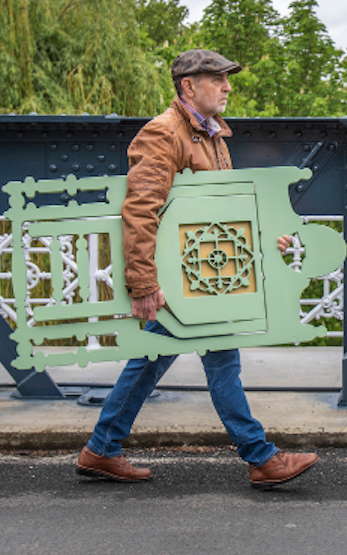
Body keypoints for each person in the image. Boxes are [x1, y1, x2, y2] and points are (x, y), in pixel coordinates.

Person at [75, 48, 318, 488]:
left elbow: (221, 216)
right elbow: (141, 211)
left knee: (152, 360)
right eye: (218, 79)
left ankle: (102, 447)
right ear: (189, 86)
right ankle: (260, 457)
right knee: (219, 360)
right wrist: (143, 283)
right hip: (185, 279)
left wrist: (264, 239)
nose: (228, 87)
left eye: (227, 79)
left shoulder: (213, 137)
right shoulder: (164, 133)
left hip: (204, 277)